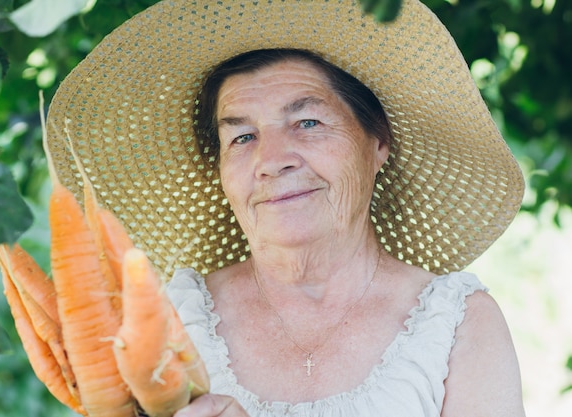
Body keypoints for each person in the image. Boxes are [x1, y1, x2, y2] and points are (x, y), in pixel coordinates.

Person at [45, 0, 526, 416]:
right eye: (242, 137)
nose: (271, 161)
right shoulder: (174, 321)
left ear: (378, 142)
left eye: (308, 122)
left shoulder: (458, 323)